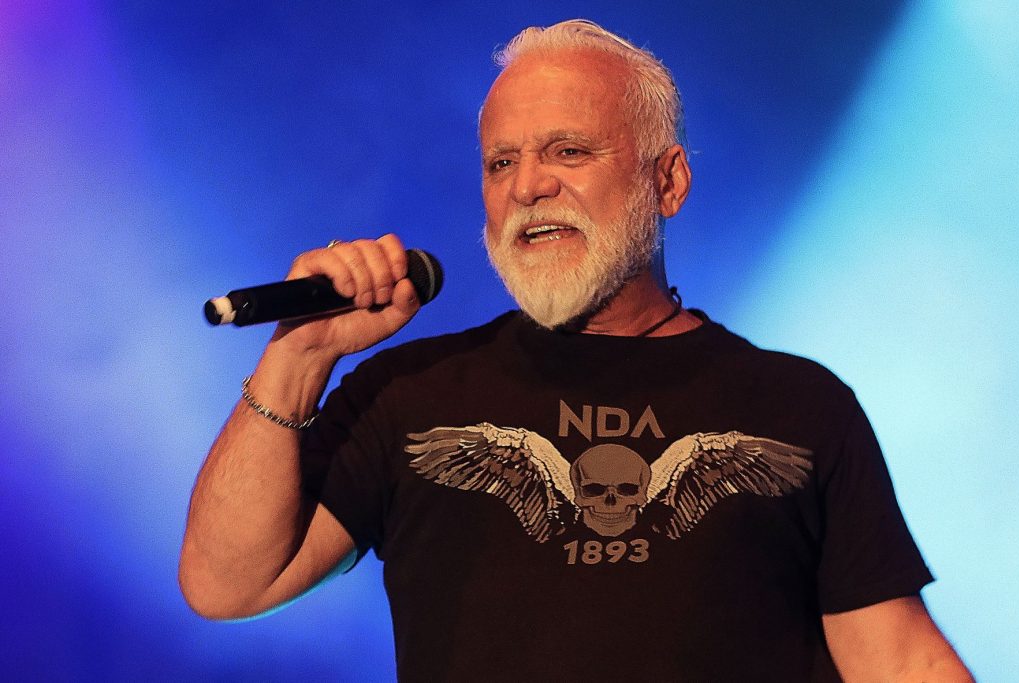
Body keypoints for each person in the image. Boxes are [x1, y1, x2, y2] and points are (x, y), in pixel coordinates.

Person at [179, 19, 972, 681]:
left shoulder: (798, 405)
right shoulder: (410, 393)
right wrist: (300, 356)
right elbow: (227, 584)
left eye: (568, 151)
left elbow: (899, 658)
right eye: (502, 162)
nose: (527, 186)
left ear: (669, 183)